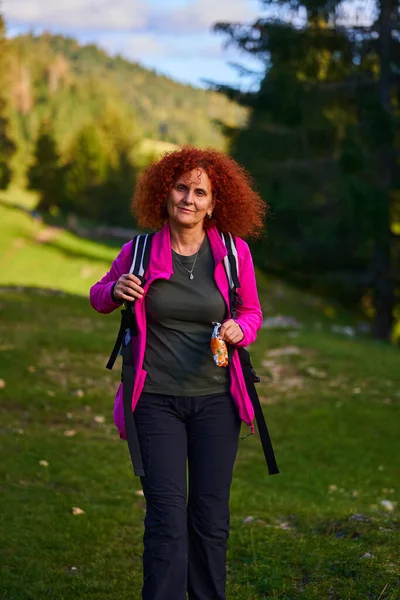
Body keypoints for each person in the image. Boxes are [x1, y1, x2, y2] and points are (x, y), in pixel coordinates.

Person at [90, 146, 267, 600]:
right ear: (164, 191)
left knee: (210, 518)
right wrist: (115, 289)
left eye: (200, 191)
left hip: (216, 404)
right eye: (181, 187)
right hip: (155, 401)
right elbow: (98, 295)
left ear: (214, 203)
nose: (188, 198)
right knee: (166, 520)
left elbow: (251, 312)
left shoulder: (233, 252)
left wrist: (239, 329)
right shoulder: (139, 250)